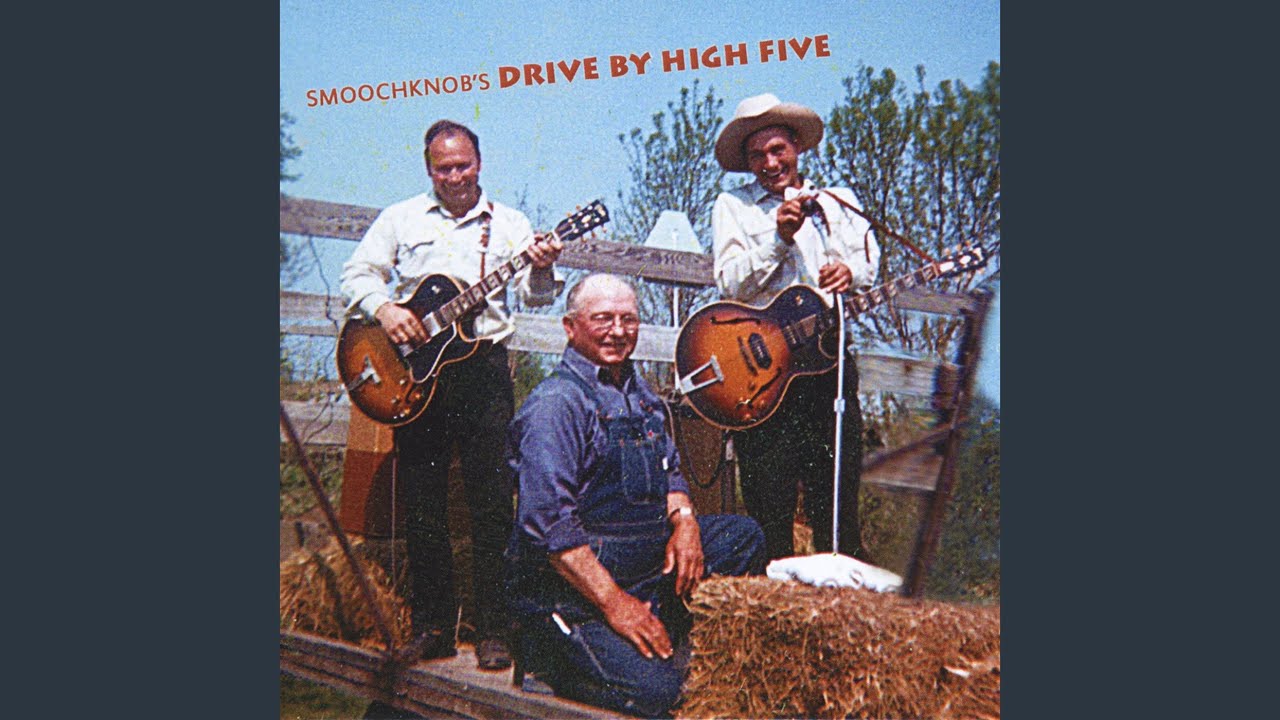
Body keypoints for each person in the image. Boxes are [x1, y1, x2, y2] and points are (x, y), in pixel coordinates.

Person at [340, 119, 564, 671]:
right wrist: (385, 309)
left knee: (492, 502)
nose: (455, 176)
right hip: (416, 376)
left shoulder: (510, 224)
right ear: (429, 170)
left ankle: (494, 630)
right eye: (444, 168)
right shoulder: (401, 218)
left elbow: (536, 297)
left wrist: (543, 267)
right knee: (423, 502)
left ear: (479, 164)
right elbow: (357, 273)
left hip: (483, 370)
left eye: (463, 165)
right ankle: (433, 628)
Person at [506, 274, 765, 718]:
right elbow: (552, 529)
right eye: (602, 319)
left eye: (628, 320)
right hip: (572, 594)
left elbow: (672, 473)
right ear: (570, 327)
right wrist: (616, 605)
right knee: (663, 698)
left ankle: (668, 638)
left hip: (640, 568)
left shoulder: (641, 396)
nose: (618, 331)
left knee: (742, 537)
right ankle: (553, 659)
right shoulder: (556, 404)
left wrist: (685, 522)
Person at [710, 93, 881, 563]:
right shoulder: (733, 206)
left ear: (797, 148)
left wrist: (850, 272)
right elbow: (730, 282)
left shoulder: (839, 201)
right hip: (763, 369)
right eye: (757, 155)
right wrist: (778, 239)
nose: (769, 164)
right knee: (769, 490)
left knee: (836, 484)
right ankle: (771, 584)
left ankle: (840, 582)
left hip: (827, 360)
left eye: (777, 150)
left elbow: (868, 263)